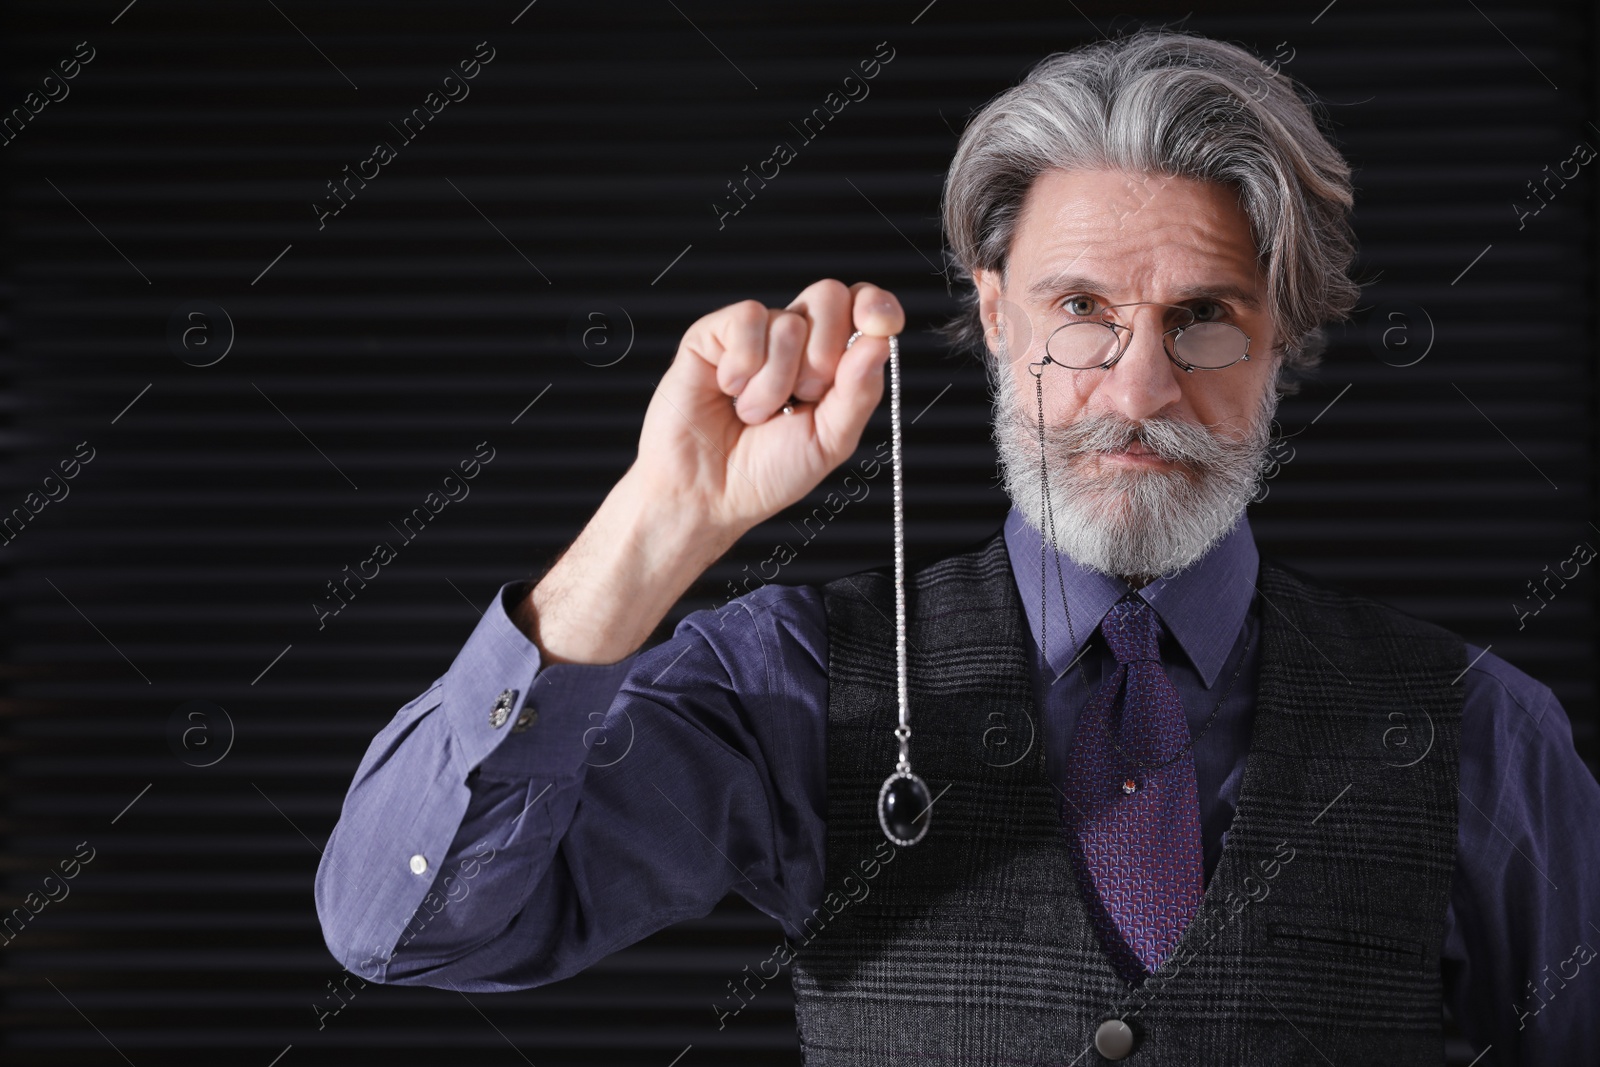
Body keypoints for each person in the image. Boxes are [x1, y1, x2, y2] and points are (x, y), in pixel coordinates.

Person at [314, 27, 1600, 1065]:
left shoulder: (1480, 731)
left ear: (1282, 347)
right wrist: (661, 520)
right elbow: (403, 925)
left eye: (1204, 317)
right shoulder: (793, 685)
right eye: (1080, 310)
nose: (1138, 387)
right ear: (991, 315)